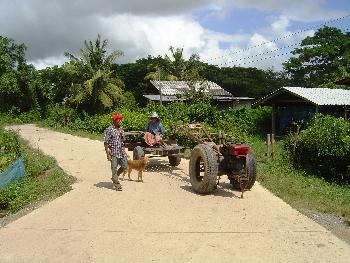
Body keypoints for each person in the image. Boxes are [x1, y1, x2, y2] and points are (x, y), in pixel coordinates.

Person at [104, 113, 128, 191]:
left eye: (121, 119)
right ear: (114, 121)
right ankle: (117, 184)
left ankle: (115, 176)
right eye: (119, 120)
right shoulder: (109, 129)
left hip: (121, 152)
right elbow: (106, 143)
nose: (120, 121)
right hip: (114, 152)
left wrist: (122, 135)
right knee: (114, 168)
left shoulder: (121, 129)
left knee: (125, 166)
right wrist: (107, 154)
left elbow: (123, 140)